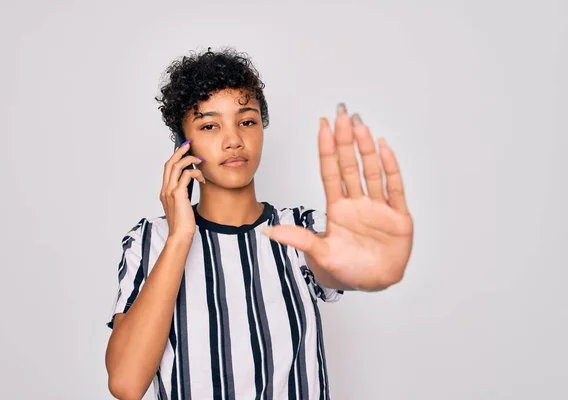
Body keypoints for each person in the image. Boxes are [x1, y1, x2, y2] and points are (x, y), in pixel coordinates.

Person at [104, 47, 414, 400]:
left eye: (247, 121)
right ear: (182, 144)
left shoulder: (299, 229)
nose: (234, 139)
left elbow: (333, 264)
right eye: (209, 125)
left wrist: (369, 263)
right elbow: (126, 384)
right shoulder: (152, 239)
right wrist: (181, 236)